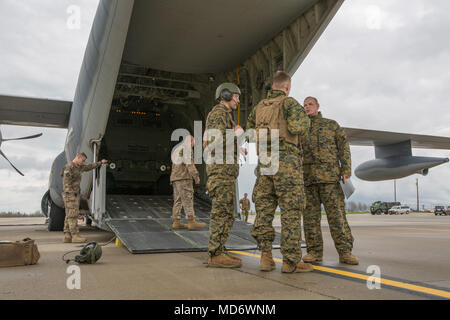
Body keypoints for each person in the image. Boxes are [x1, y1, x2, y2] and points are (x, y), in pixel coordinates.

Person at [247, 71, 313, 273]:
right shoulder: (289, 103)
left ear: (272, 87)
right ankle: (290, 261)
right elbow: (298, 127)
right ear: (287, 87)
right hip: (286, 160)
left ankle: (266, 258)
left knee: (264, 210)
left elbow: (249, 134)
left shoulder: (258, 108)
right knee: (290, 210)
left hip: (265, 161)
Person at [302, 96, 358, 265]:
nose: (307, 107)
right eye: (304, 105)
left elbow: (344, 148)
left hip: (330, 179)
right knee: (310, 219)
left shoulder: (331, 125)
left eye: (310, 104)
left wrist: (346, 169)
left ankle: (345, 252)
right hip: (308, 179)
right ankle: (314, 253)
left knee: (337, 217)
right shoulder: (300, 128)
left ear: (317, 106)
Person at [205, 82, 243, 268]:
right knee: (221, 212)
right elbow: (213, 142)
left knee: (227, 213)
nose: (238, 100)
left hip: (226, 172)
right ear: (226, 95)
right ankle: (215, 253)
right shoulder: (219, 114)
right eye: (236, 96)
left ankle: (220, 249)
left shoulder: (226, 116)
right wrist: (235, 135)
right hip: (220, 173)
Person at [61, 152, 107, 243]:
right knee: (73, 215)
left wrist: (100, 163)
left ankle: (67, 235)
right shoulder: (69, 167)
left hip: (75, 193)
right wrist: (71, 196)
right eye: (82, 160)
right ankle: (75, 236)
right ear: (78, 157)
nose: (83, 162)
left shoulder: (79, 167)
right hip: (70, 194)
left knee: (69, 214)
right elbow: (66, 183)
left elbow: (89, 167)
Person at [170, 135, 206, 230]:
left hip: (175, 178)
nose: (193, 146)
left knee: (178, 200)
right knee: (187, 198)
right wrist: (196, 176)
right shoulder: (186, 149)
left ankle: (176, 222)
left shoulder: (177, 149)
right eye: (193, 143)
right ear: (190, 141)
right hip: (184, 178)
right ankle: (191, 221)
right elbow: (189, 163)